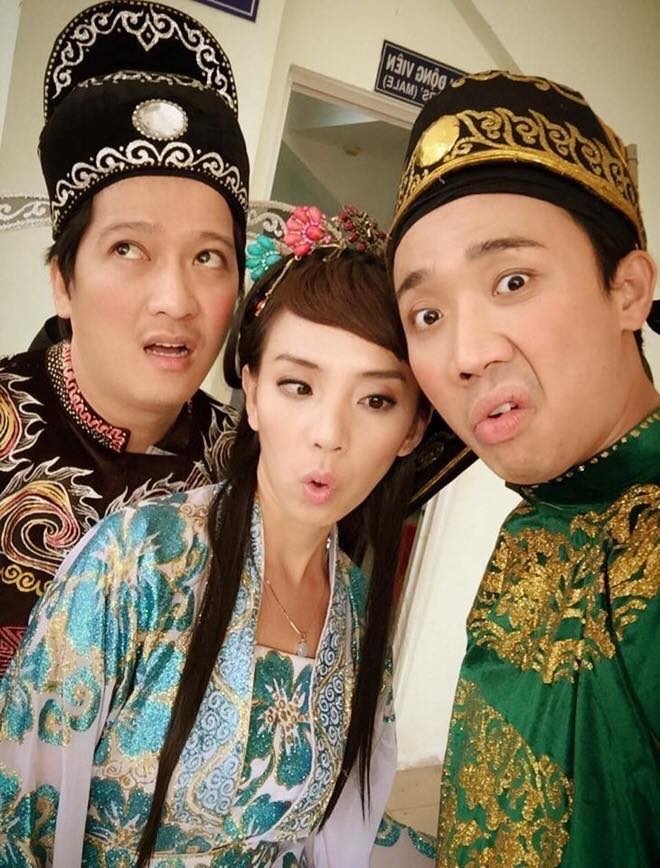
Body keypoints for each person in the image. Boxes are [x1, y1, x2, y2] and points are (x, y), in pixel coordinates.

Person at [0, 205, 438, 866]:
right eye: (298, 386)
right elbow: (22, 816)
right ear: (253, 394)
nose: (329, 434)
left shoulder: (353, 603)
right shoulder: (137, 561)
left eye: (376, 400)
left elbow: (334, 836)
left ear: (412, 428)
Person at [387, 70, 660, 867]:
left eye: (512, 281)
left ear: (628, 290)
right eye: (427, 315)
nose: (466, 354)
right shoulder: (539, 520)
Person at [0, 0, 250, 675]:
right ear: (63, 281)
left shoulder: (248, 466)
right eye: (128, 248)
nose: (176, 300)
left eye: (208, 257)